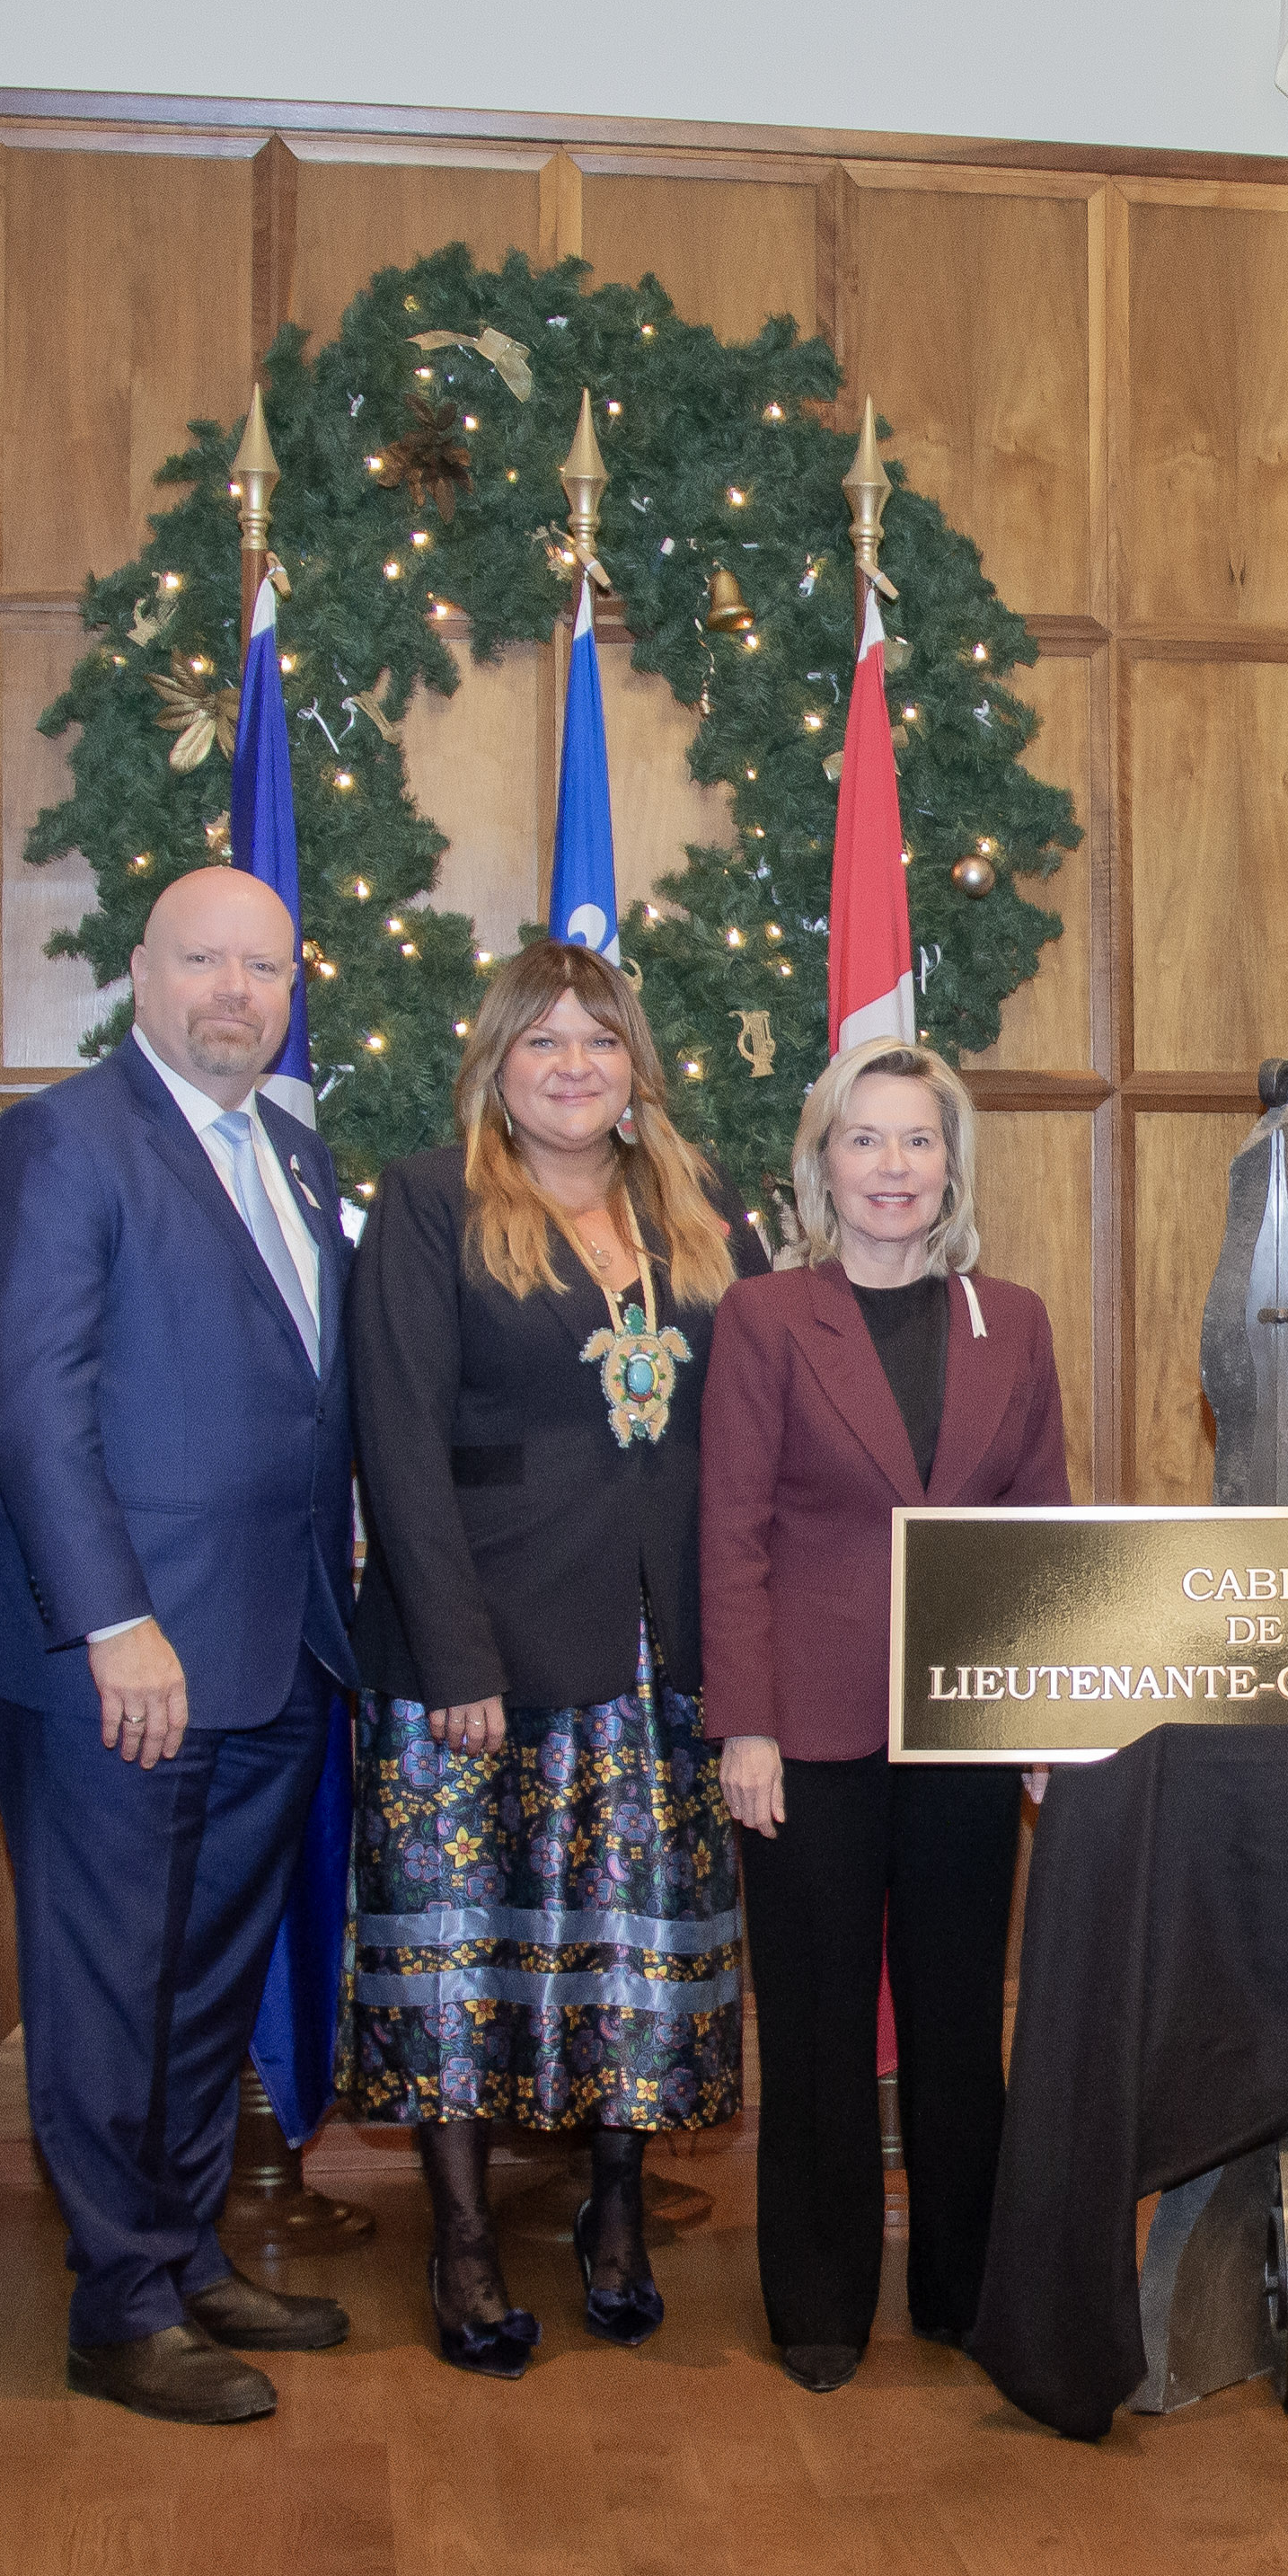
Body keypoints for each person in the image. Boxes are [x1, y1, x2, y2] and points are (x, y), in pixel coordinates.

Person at [0, 863, 360, 2425]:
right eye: (204, 961)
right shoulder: (56, 1147)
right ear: (141, 969)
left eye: (263, 968)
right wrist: (116, 1622)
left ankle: (181, 2248)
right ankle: (118, 2305)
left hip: (272, 1653)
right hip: (122, 1663)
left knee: (199, 1985)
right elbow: (37, 1414)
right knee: (109, 1986)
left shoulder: (293, 1161)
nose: (235, 995)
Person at [348, 940, 771, 2376]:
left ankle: (613, 2215)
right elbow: (396, 1440)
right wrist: (454, 1652)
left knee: (637, 1948)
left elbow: (756, 1417)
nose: (573, 1065)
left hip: (663, 1646)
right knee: (462, 1948)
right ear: (497, 1064)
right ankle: (464, 2242)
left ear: (634, 1064)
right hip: (476, 1651)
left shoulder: (705, 1207)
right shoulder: (428, 1202)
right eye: (543, 1042)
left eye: (599, 1040)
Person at [702, 1042, 1071, 2393]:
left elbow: (1040, 1527)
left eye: (918, 1142)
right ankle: (816, 2301)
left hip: (967, 1726)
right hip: (803, 1733)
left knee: (962, 2016)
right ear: (823, 1163)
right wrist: (743, 1721)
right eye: (866, 1141)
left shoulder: (1011, 1321)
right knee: (813, 2025)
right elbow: (729, 1532)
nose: (893, 1168)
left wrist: (1044, 1709)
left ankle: (963, 2288)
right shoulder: (762, 1317)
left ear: (951, 1167)